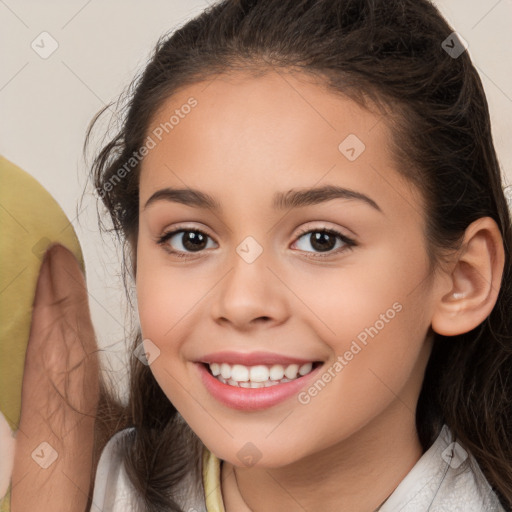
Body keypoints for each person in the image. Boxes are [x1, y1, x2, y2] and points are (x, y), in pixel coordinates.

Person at [86, 0, 512, 510]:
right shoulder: (104, 486)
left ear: (462, 279)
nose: (242, 302)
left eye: (321, 240)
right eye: (191, 239)